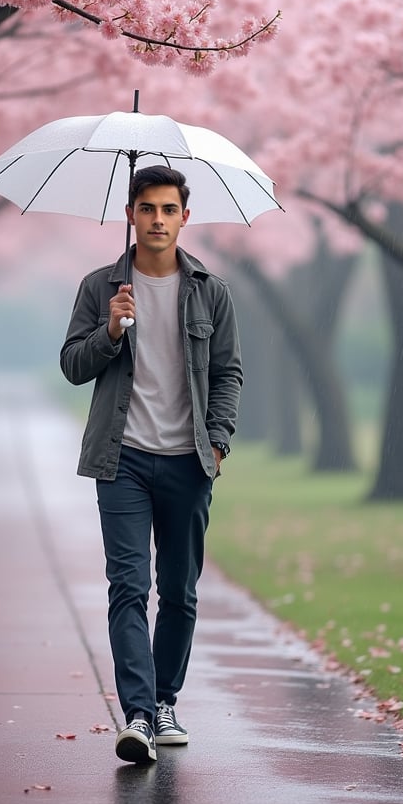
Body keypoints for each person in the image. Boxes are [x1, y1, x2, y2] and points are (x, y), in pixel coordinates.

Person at [60, 165, 243, 764]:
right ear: (131, 215)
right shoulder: (101, 288)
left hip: (190, 461)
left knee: (180, 592)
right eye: (147, 208)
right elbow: (72, 364)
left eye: (169, 210)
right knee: (129, 587)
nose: (158, 220)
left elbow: (227, 374)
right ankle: (138, 715)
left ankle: (166, 701)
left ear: (184, 217)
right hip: (124, 460)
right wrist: (111, 328)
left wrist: (217, 440)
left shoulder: (211, 292)